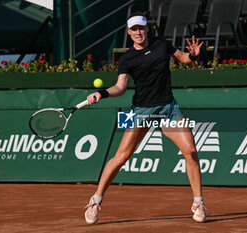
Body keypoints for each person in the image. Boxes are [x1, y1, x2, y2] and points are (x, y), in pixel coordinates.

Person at [84, 12, 206, 224]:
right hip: (142, 112)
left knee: (191, 152)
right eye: (134, 29)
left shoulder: (161, 44)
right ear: (129, 32)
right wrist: (101, 93)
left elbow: (184, 59)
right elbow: (120, 88)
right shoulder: (127, 58)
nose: (138, 32)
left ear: (147, 28)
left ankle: (198, 202)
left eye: (141, 28)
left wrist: (193, 55)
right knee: (121, 158)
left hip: (169, 108)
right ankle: (95, 200)